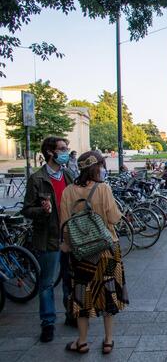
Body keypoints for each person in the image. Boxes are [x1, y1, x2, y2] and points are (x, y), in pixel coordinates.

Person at [59, 151, 128, 354]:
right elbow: (114, 219)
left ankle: (82, 341)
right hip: (106, 249)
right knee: (108, 292)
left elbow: (64, 224)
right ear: (97, 167)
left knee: (81, 295)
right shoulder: (103, 189)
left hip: (81, 253)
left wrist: (69, 245)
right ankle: (108, 340)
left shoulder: (68, 191)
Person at [22, 137, 74, 342]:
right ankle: (48, 323)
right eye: (62, 149)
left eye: (66, 148)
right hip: (48, 239)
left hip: (69, 237)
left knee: (70, 278)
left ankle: (71, 314)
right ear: (51, 152)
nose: (66, 152)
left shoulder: (68, 175)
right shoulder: (37, 179)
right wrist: (42, 211)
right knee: (47, 282)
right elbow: (26, 209)